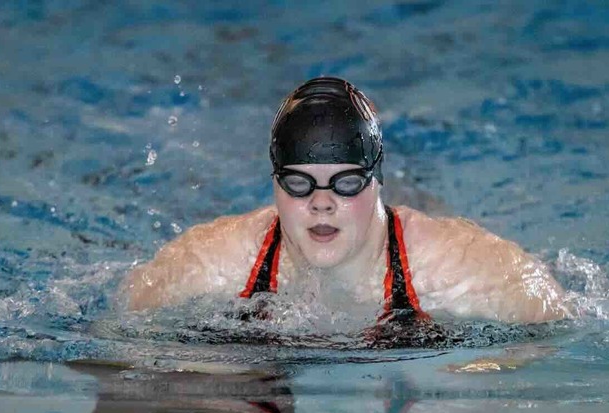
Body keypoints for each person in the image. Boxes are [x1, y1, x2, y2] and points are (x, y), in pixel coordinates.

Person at [123, 76, 567, 325]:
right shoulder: (218, 258)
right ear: (275, 182)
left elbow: (552, 321)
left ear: (376, 179)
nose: (322, 203)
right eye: (299, 184)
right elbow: (125, 322)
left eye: (346, 182)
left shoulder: (450, 264)